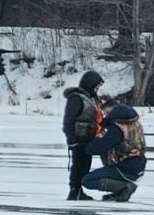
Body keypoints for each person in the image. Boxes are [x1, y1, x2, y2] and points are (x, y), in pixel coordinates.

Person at [81, 99, 146, 202]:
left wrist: (86, 144)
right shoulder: (134, 122)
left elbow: (95, 148)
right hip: (137, 165)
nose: (106, 116)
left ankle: (125, 187)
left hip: (123, 168)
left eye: (106, 112)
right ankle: (120, 193)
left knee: (87, 181)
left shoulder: (115, 129)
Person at [61, 70, 104, 200]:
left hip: (89, 138)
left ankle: (79, 191)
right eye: (96, 86)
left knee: (85, 165)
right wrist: (71, 139)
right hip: (78, 138)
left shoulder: (93, 98)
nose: (97, 89)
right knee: (78, 165)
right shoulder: (76, 98)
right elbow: (68, 120)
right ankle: (74, 191)